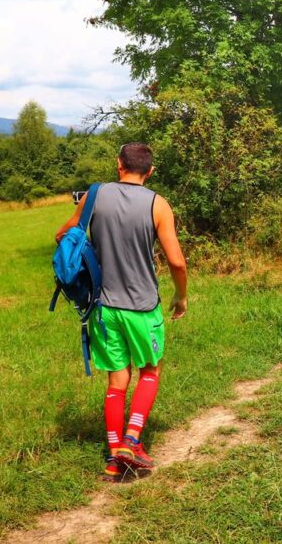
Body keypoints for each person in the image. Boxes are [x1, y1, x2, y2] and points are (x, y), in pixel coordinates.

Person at [54, 142, 188, 482]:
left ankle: (115, 458)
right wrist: (181, 297)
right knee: (150, 370)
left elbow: (63, 235)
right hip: (142, 306)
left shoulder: (94, 196)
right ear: (150, 171)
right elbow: (176, 261)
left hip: (104, 307)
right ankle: (132, 440)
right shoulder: (158, 204)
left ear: (118, 164)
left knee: (116, 381)